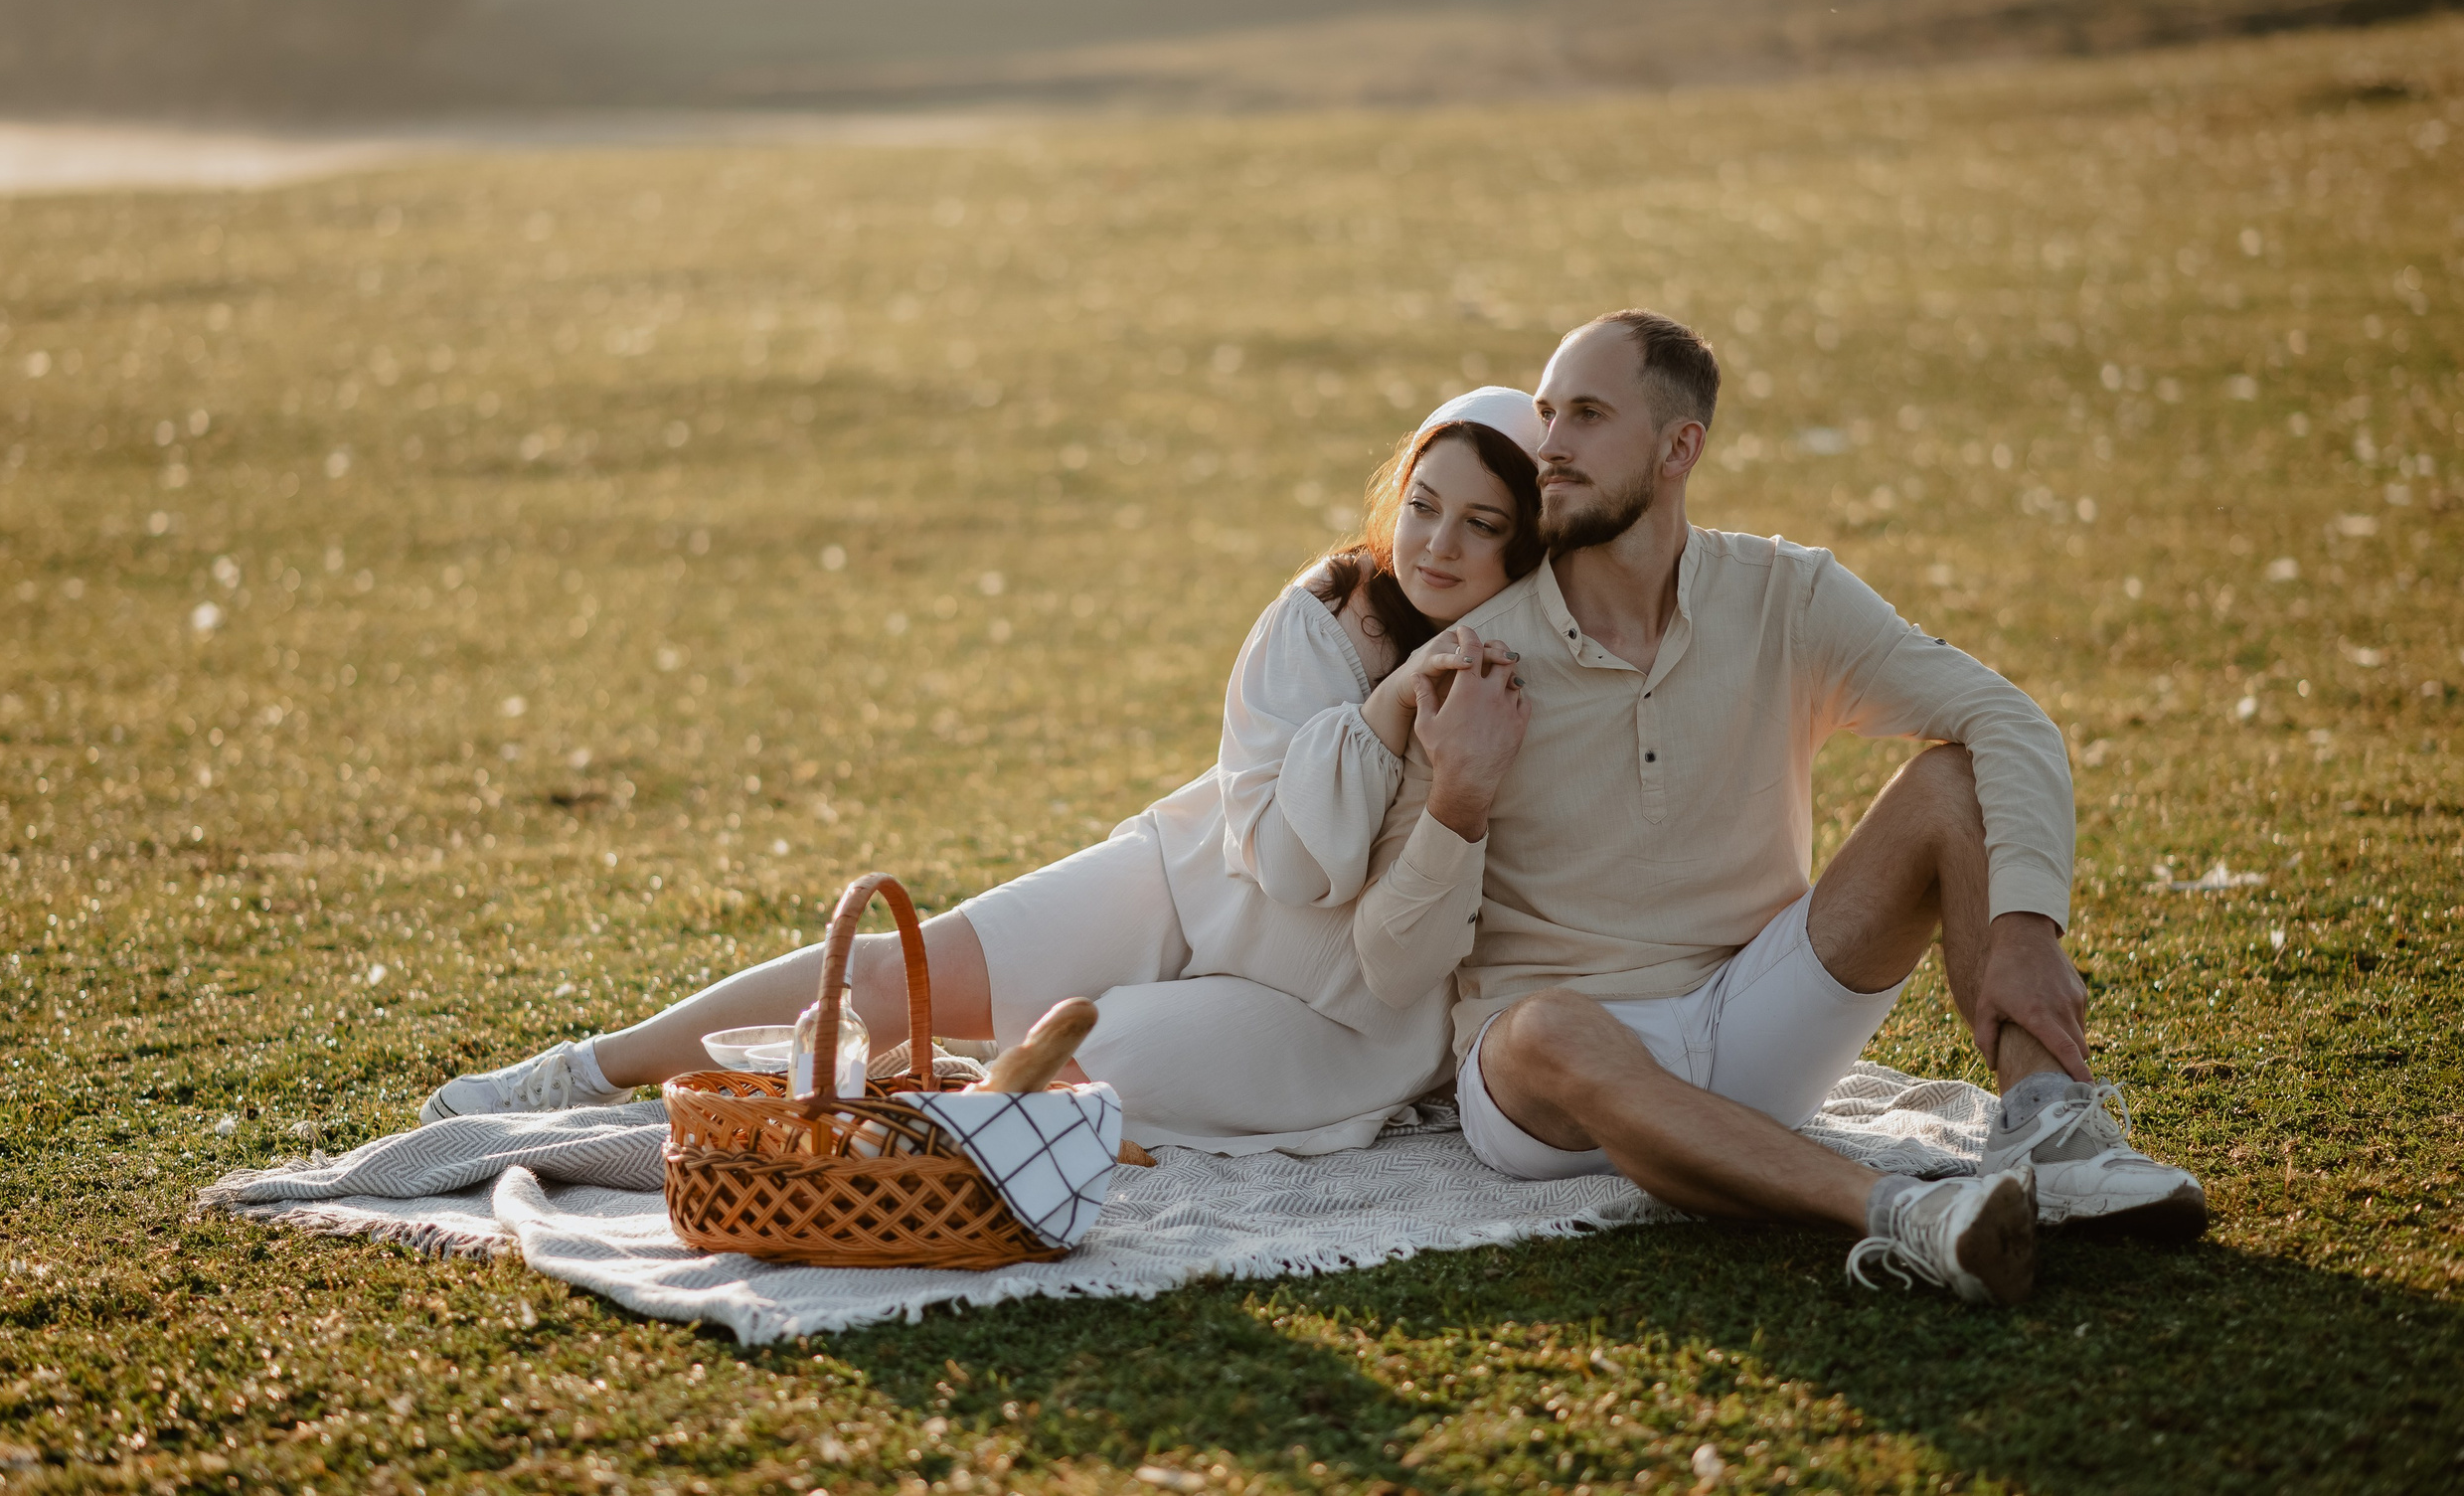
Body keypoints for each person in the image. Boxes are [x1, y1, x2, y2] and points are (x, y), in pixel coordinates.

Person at [421, 387, 1548, 1153]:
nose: (1436, 545)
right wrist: (1394, 697)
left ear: (1528, 545)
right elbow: (1290, 859)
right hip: (1204, 870)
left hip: (1330, 1000)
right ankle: (587, 1067)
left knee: (1066, 1063)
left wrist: (1423, 709)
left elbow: (1356, 915)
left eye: (1480, 524)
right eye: (1421, 504)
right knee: (899, 969)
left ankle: (905, 1085)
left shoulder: (1524, 682)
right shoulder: (1327, 613)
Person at [1349, 310, 2206, 1306]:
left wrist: (2021, 919)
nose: (1551, 444)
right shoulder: (1473, 662)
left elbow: (2003, 717)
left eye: (1586, 414)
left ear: (1681, 446)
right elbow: (1392, 961)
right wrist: (1458, 794)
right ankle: (1901, 1212)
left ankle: (2048, 1126)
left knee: (1948, 779)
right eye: (1546, 415)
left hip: (1755, 1015)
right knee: (1544, 1026)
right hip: (1550, 1088)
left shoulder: (1783, 594)